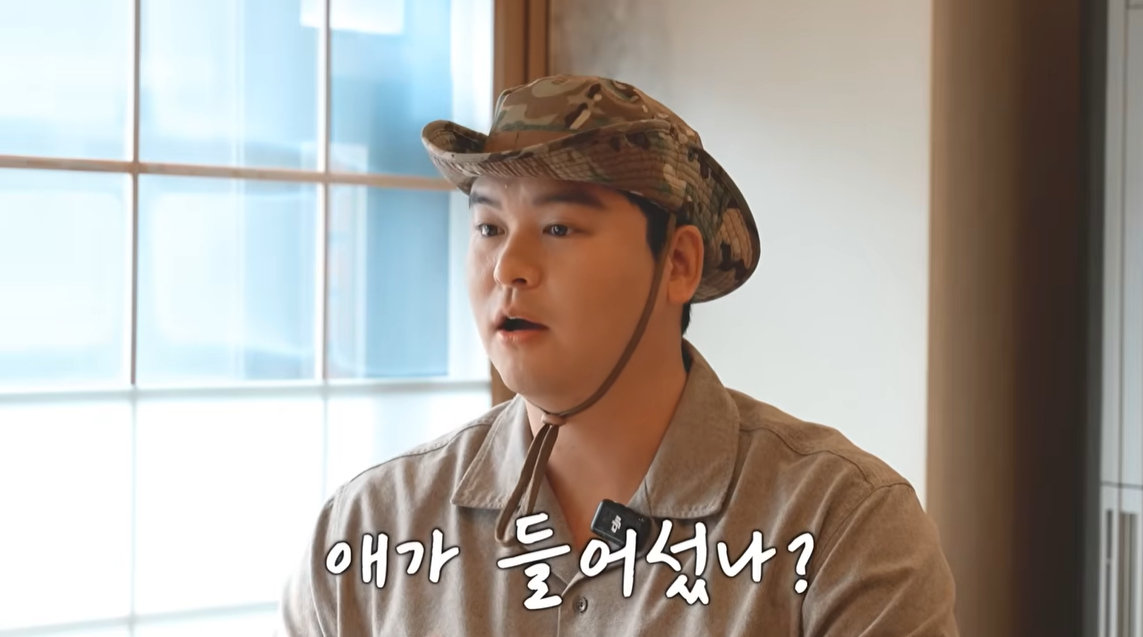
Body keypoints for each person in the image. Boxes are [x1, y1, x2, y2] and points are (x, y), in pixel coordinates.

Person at [277, 74, 958, 636]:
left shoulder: (841, 527)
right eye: (488, 226)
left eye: (558, 227)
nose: (508, 266)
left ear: (678, 264)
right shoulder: (369, 529)